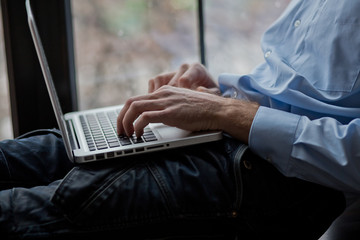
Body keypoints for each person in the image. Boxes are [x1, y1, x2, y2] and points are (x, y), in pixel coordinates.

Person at [1, 0, 359, 239]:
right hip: (231, 130)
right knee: (16, 158)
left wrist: (224, 112)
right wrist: (216, 92)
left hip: (277, 177)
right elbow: (304, 88)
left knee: (18, 215)